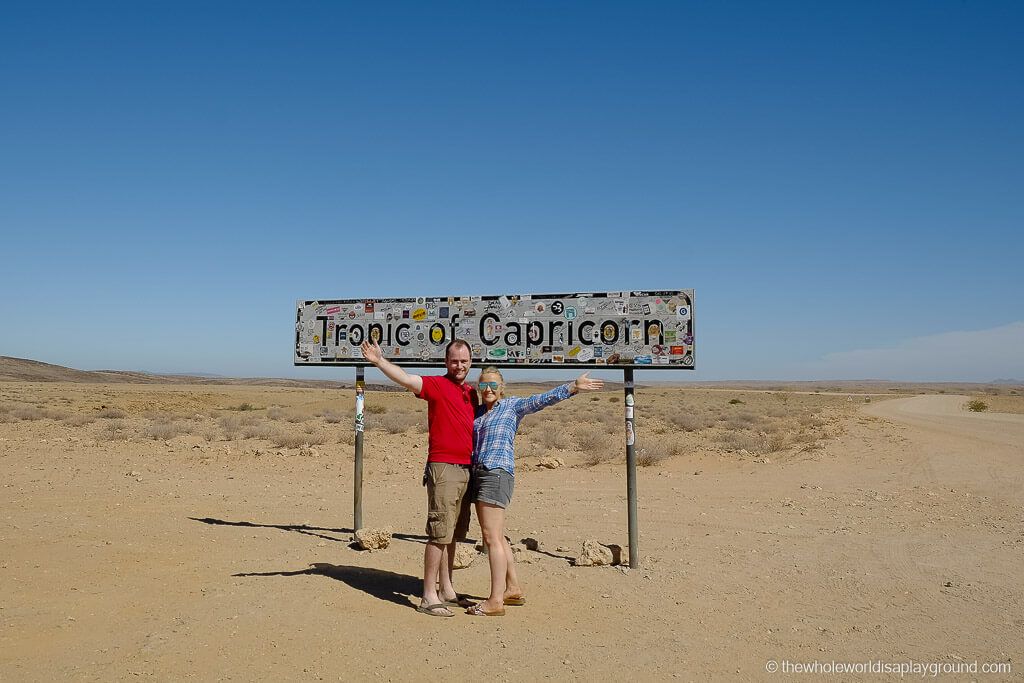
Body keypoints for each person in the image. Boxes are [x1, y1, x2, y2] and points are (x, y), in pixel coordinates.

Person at [465, 367, 604, 616]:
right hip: (480, 474)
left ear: (502, 388)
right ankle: (513, 588)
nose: (488, 390)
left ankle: (495, 601)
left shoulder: (511, 407)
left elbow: (539, 401)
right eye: (484, 385)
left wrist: (572, 387)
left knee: (491, 538)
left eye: (494, 385)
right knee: (497, 535)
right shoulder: (477, 413)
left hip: (496, 473)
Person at [360, 338, 476, 618]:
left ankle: (447, 589)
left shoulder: (471, 392)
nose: (459, 365)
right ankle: (428, 595)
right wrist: (379, 362)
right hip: (444, 467)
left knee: (452, 534)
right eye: (454, 360)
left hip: (467, 469)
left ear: (470, 362)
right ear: (446, 362)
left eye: (463, 361)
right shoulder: (437, 385)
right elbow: (407, 379)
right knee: (438, 534)